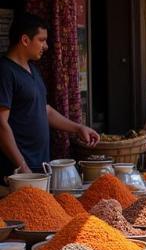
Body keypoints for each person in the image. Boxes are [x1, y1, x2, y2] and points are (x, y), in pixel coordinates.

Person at [0, 12, 99, 176]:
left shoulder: (32, 70)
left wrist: (78, 128)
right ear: (25, 40)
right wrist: (23, 168)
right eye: (41, 40)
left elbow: (44, 110)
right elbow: (1, 124)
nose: (46, 46)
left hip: (39, 167)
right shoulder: (5, 72)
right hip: (17, 173)